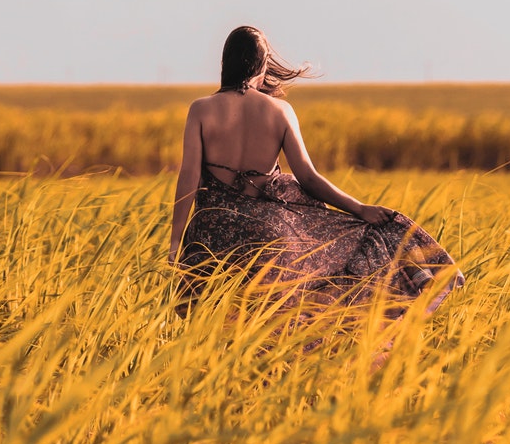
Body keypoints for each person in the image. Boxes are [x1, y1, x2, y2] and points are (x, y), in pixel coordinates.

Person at [168, 26, 463, 315]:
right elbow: (308, 178)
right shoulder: (280, 111)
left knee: (214, 328)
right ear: (262, 65)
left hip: (212, 237)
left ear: (226, 62)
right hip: (270, 236)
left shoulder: (201, 109)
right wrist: (359, 208)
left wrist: (175, 243)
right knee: (274, 326)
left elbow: (189, 178)